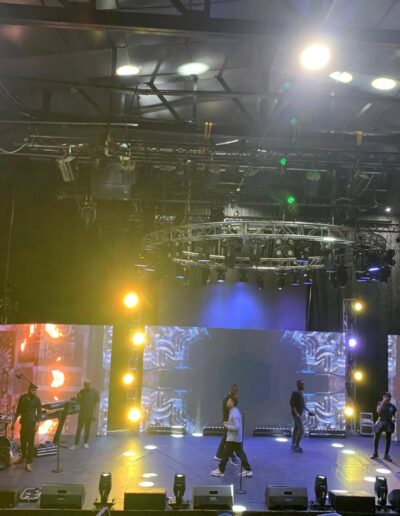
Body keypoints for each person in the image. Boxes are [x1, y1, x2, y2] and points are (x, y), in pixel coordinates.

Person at [211, 397, 252, 477]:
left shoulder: (234, 413)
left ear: (233, 403)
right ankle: (247, 470)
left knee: (226, 454)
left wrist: (227, 426)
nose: (227, 402)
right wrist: (228, 423)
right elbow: (235, 424)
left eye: (229, 401)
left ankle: (221, 470)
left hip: (233, 438)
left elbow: (237, 427)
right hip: (235, 438)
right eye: (228, 401)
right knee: (239, 453)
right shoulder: (234, 411)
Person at [12, 384, 42, 472]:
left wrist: (37, 424)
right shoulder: (23, 397)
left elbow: (39, 413)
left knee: (30, 443)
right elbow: (18, 410)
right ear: (29, 389)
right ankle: (23, 457)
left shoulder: (37, 399)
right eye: (32, 389)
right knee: (23, 441)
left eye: (35, 390)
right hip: (24, 423)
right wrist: (13, 422)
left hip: (32, 423)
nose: (34, 391)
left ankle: (28, 463)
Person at [214, 384, 240, 465]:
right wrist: (229, 422)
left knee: (226, 438)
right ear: (235, 392)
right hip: (228, 421)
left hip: (227, 420)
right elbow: (230, 411)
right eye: (236, 392)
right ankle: (231, 457)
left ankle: (219, 455)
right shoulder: (231, 399)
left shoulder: (227, 398)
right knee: (229, 439)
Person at [70, 381, 99, 450]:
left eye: (87, 385)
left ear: (90, 384)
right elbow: (79, 400)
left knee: (87, 429)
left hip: (89, 413)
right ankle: (75, 444)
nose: (86, 386)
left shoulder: (95, 392)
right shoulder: (82, 391)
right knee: (79, 429)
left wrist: (95, 413)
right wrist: (75, 398)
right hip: (82, 413)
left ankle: (85, 442)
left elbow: (96, 403)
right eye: (85, 385)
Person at [371, 392, 396, 461]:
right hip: (381, 421)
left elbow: (393, 415)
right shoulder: (380, 403)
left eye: (387, 397)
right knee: (376, 436)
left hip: (388, 422)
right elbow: (378, 411)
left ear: (389, 398)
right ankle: (375, 453)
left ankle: (386, 454)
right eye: (384, 396)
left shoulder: (392, 406)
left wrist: (393, 419)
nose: (385, 398)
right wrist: (383, 402)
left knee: (388, 438)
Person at [290, 379, 313, 453]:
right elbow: (292, 404)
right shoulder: (295, 393)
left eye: (303, 384)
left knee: (296, 428)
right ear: (298, 385)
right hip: (296, 415)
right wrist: (296, 413)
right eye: (302, 384)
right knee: (301, 430)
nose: (303, 385)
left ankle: (293, 445)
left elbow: (303, 405)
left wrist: (309, 411)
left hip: (298, 414)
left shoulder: (301, 393)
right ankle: (296, 445)